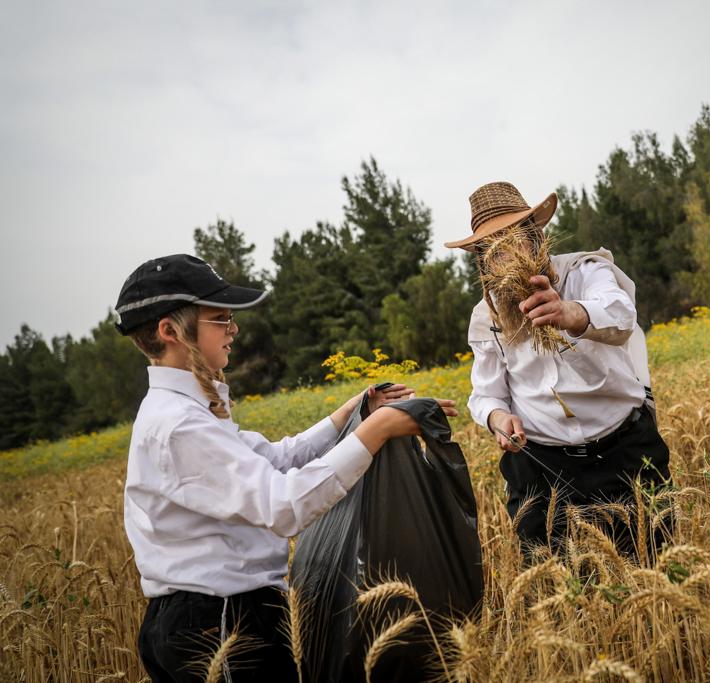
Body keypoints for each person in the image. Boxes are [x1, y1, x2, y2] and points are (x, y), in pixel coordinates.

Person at [115, 254, 457, 682]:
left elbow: (274, 460)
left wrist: (350, 415)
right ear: (170, 331)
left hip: (211, 618)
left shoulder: (185, 411)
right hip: (221, 625)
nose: (234, 330)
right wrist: (378, 431)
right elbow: (283, 506)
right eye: (220, 319)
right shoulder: (180, 424)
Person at [445, 182, 670, 556]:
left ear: (537, 237)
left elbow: (621, 315)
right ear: (485, 262)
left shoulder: (586, 272)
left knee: (653, 559)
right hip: (541, 468)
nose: (510, 257)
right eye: (496, 252)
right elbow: (486, 394)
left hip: (623, 450)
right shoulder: (486, 317)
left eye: (516, 240)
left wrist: (570, 313)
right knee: (552, 580)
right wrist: (499, 419)